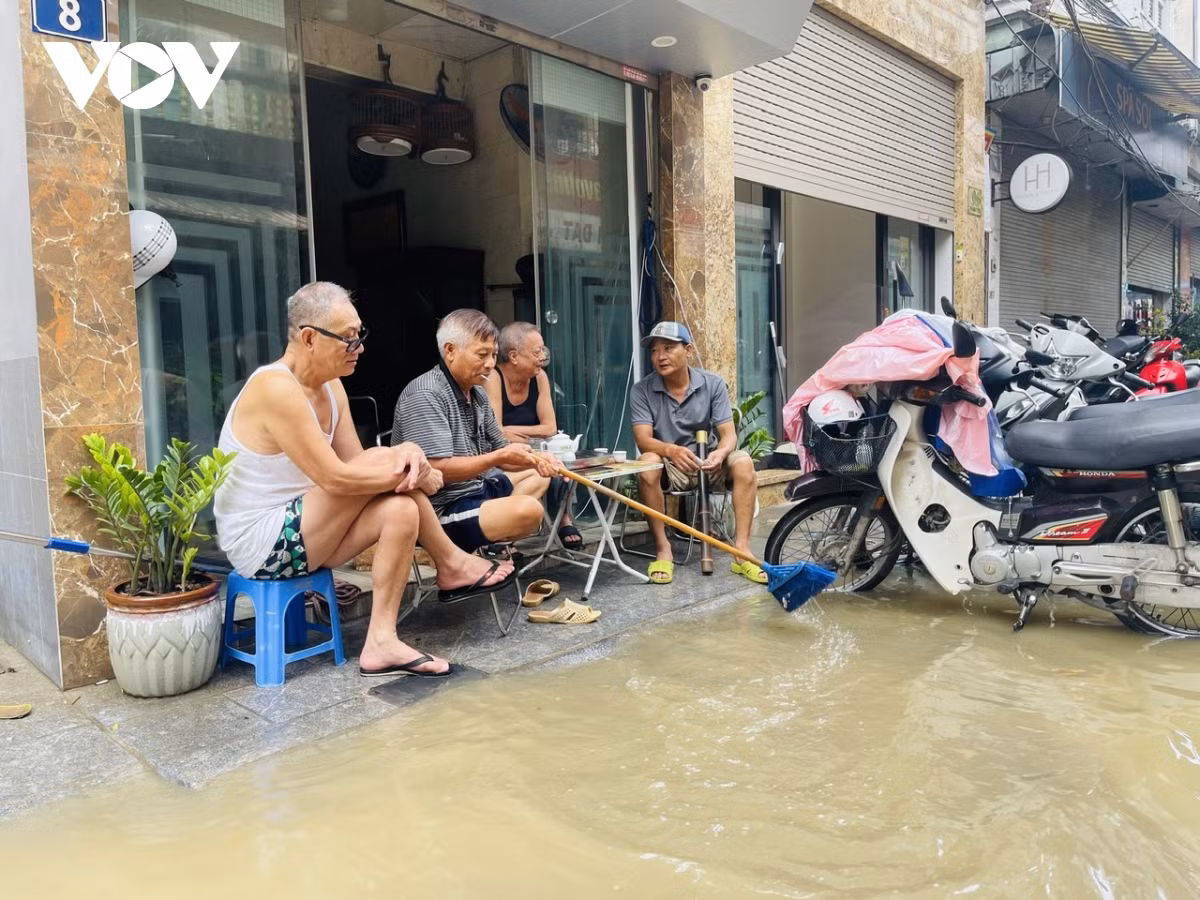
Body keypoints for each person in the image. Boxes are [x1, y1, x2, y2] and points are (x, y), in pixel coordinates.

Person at [214, 282, 515, 680]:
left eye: (360, 337)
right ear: (309, 338)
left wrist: (408, 456)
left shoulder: (330, 386)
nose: (360, 349)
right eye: (350, 340)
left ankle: (381, 641)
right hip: (262, 542)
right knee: (387, 464)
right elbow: (337, 478)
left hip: (309, 531)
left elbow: (356, 465)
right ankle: (452, 563)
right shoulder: (275, 388)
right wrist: (416, 467)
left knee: (400, 508)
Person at [392, 309, 558, 553]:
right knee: (529, 511)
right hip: (440, 508)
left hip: (476, 489)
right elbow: (437, 470)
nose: (490, 364)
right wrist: (499, 457)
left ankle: (492, 535)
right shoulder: (426, 394)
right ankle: (488, 537)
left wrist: (537, 460)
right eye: (482, 354)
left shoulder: (478, 392)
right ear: (450, 351)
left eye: (493, 354)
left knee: (539, 476)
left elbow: (504, 451)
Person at [630, 321, 765, 586]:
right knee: (647, 463)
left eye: (668, 348)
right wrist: (670, 449)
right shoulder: (642, 390)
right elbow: (644, 440)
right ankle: (663, 550)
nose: (660, 356)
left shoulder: (712, 384)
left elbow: (728, 434)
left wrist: (721, 452)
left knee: (743, 462)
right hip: (671, 466)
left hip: (709, 461)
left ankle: (742, 552)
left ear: (688, 350)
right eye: (655, 350)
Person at [484, 321, 581, 549]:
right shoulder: (494, 378)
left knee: (563, 461)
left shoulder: (540, 378)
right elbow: (495, 433)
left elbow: (549, 428)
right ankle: (502, 530)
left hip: (536, 451)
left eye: (543, 350)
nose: (542, 357)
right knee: (542, 468)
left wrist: (512, 432)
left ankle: (563, 517)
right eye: (537, 352)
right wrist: (516, 436)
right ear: (514, 356)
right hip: (503, 454)